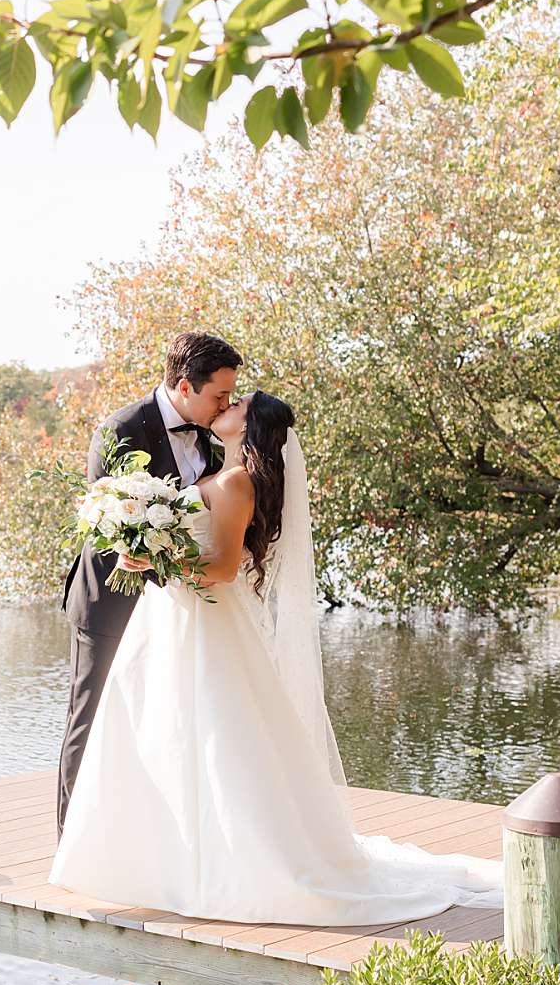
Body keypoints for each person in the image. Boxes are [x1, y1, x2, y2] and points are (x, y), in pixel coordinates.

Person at [51, 390, 502, 926]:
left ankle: (221, 864)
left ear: (252, 427)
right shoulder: (219, 470)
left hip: (205, 621)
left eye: (238, 402)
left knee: (215, 739)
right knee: (174, 734)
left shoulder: (236, 482)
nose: (229, 403)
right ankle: (172, 857)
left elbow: (222, 569)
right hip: (177, 617)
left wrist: (154, 559)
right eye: (225, 396)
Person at [57, 330, 242, 835]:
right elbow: (104, 521)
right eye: (219, 394)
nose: (227, 404)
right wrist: (137, 548)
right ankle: (71, 845)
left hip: (179, 610)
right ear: (184, 386)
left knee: (164, 728)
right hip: (111, 604)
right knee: (91, 723)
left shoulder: (211, 433)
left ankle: (147, 842)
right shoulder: (121, 430)